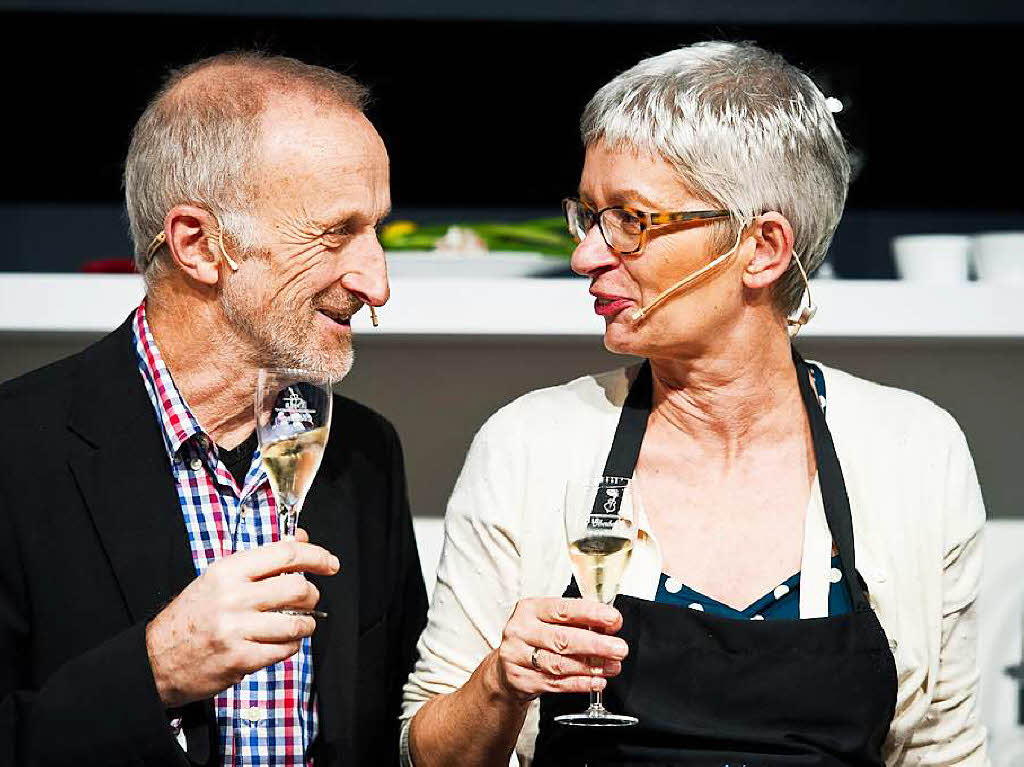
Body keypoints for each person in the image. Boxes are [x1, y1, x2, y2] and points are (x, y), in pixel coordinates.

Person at [402, 41, 987, 766]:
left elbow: (943, 752)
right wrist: (499, 683)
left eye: (632, 220)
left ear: (763, 247)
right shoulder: (530, 444)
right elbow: (425, 754)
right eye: (587, 215)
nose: (587, 253)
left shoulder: (914, 452)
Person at [0, 52, 427, 766]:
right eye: (335, 233)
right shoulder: (17, 450)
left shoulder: (362, 451)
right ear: (198, 244)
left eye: (376, 229)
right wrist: (153, 672)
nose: (376, 281)